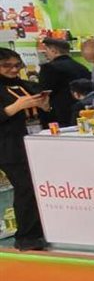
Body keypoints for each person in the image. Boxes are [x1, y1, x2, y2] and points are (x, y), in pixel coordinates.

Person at [0, 48, 49, 251]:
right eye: (7, 66)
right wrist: (15, 107)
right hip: (10, 147)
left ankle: (44, 230)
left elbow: (46, 113)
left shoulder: (26, 85)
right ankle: (27, 237)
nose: (13, 69)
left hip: (36, 142)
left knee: (42, 188)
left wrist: (45, 106)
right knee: (26, 189)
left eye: (17, 65)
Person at [36, 37, 89, 126]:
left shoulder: (48, 68)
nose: (45, 54)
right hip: (82, 112)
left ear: (53, 51)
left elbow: (44, 92)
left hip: (59, 115)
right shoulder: (82, 67)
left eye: (46, 50)